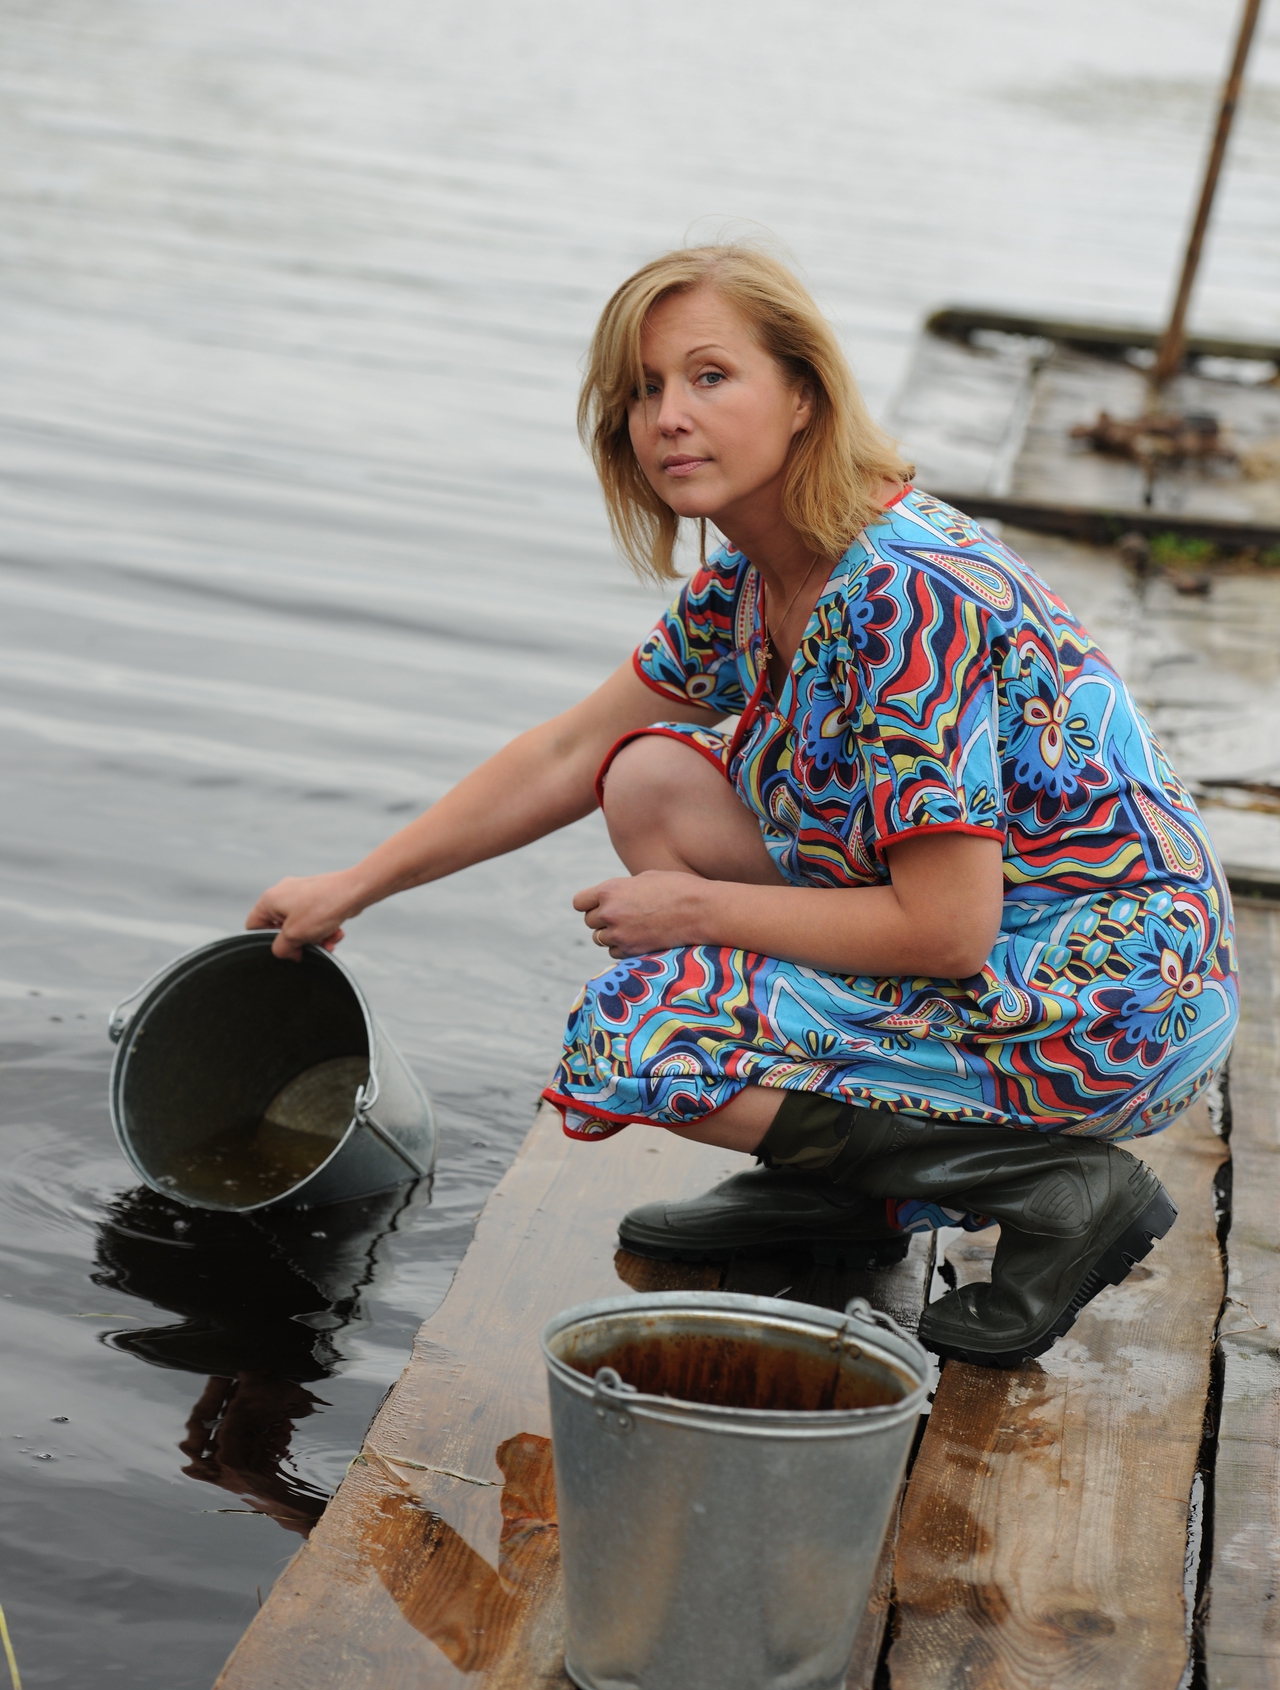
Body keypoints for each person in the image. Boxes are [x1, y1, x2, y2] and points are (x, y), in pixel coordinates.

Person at [247, 244, 1238, 1369]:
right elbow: (569, 748)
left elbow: (946, 929)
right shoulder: (754, 579)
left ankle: (1054, 1187)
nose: (667, 415)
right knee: (646, 776)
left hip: (1110, 997)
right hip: (1006, 944)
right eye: (642, 389)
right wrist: (354, 885)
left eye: (709, 377)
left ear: (803, 394)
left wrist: (697, 915)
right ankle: (841, 1192)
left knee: (644, 1026)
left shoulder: (904, 595)